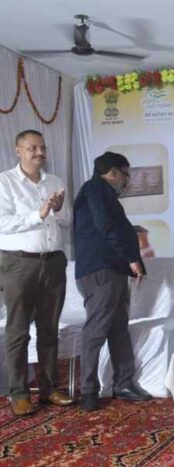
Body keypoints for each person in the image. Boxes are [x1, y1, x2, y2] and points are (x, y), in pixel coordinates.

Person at [0, 130, 73, 416]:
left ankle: (49, 388)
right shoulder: (5, 182)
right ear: (18, 150)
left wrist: (58, 210)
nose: (39, 153)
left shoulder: (54, 181)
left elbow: (67, 221)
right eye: (32, 148)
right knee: (18, 330)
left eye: (42, 147)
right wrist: (38, 214)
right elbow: (2, 222)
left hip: (53, 261)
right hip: (19, 264)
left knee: (49, 328)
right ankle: (19, 393)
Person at [74, 151, 152, 412]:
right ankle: (88, 390)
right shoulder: (95, 188)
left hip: (111, 269)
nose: (126, 181)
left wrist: (130, 234)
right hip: (101, 270)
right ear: (113, 172)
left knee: (118, 328)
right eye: (125, 175)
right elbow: (105, 225)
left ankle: (123, 383)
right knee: (97, 329)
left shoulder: (101, 193)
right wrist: (131, 257)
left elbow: (108, 226)